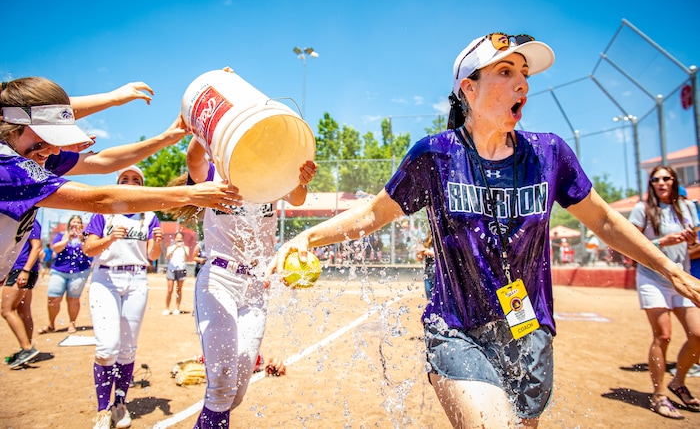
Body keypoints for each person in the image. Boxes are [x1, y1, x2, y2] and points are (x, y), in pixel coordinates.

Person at [268, 32, 700, 428]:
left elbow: (604, 220)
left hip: (528, 331)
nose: (523, 85)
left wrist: (669, 268)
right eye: (506, 72)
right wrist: (307, 237)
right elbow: (373, 214)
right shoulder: (436, 155)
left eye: (524, 75)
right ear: (468, 89)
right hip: (457, 328)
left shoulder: (549, 153)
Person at [0, 77, 241, 370]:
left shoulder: (26, 150)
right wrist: (188, 194)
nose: (52, 150)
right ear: (9, 124)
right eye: (46, 139)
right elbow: (98, 199)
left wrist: (161, 135)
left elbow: (102, 161)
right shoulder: (8, 168)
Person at [166, 135, 316, 429]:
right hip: (220, 278)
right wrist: (208, 125)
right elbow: (194, 160)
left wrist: (301, 178)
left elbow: (298, 197)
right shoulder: (216, 174)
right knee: (221, 384)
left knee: (235, 392)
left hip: (256, 285)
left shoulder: (270, 176)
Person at [81, 166, 163, 429]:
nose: (130, 182)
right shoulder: (104, 212)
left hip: (137, 280)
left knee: (128, 347)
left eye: (136, 180)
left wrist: (158, 242)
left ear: (143, 186)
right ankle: (102, 409)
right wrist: (107, 239)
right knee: (107, 348)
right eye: (125, 179)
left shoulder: (149, 216)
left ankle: (119, 404)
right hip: (106, 279)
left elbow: (151, 255)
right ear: (117, 183)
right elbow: (88, 249)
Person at [628, 166, 700, 419]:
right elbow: (630, 245)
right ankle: (659, 395)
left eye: (666, 178)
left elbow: (695, 248)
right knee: (664, 335)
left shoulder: (688, 208)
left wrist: (691, 242)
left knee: (698, 335)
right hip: (652, 279)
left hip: (681, 278)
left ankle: (678, 381)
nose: (661, 183)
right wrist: (661, 243)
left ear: (674, 181)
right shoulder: (642, 209)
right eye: (655, 179)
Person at [37, 215, 92, 334]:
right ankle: (51, 324)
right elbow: (56, 249)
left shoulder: (85, 237)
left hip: (79, 271)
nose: (76, 224)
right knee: (53, 298)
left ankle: (72, 323)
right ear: (69, 223)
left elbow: (88, 251)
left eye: (78, 222)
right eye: (74, 222)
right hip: (60, 270)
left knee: (73, 299)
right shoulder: (61, 235)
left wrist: (82, 239)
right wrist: (68, 239)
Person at [2, 219, 42, 369]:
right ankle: (26, 348)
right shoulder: (15, 220)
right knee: (24, 311)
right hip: (21, 269)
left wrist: (25, 270)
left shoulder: (29, 220)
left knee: (6, 310)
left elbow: (36, 247)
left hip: (22, 269)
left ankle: (27, 348)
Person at [164, 231, 190, 315]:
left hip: (181, 269)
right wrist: (175, 247)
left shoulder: (185, 248)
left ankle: (177, 308)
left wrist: (182, 247)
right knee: (170, 290)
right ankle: (167, 308)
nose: (179, 240)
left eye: (180, 238)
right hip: (171, 269)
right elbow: (167, 256)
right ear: (175, 239)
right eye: (177, 238)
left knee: (179, 290)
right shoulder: (170, 247)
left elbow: (187, 257)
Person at [416, 229, 436, 300]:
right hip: (428, 272)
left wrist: (432, 253)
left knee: (438, 297)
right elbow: (419, 259)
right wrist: (419, 252)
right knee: (429, 297)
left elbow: (445, 257)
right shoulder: (426, 242)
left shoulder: (442, 242)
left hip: (439, 273)